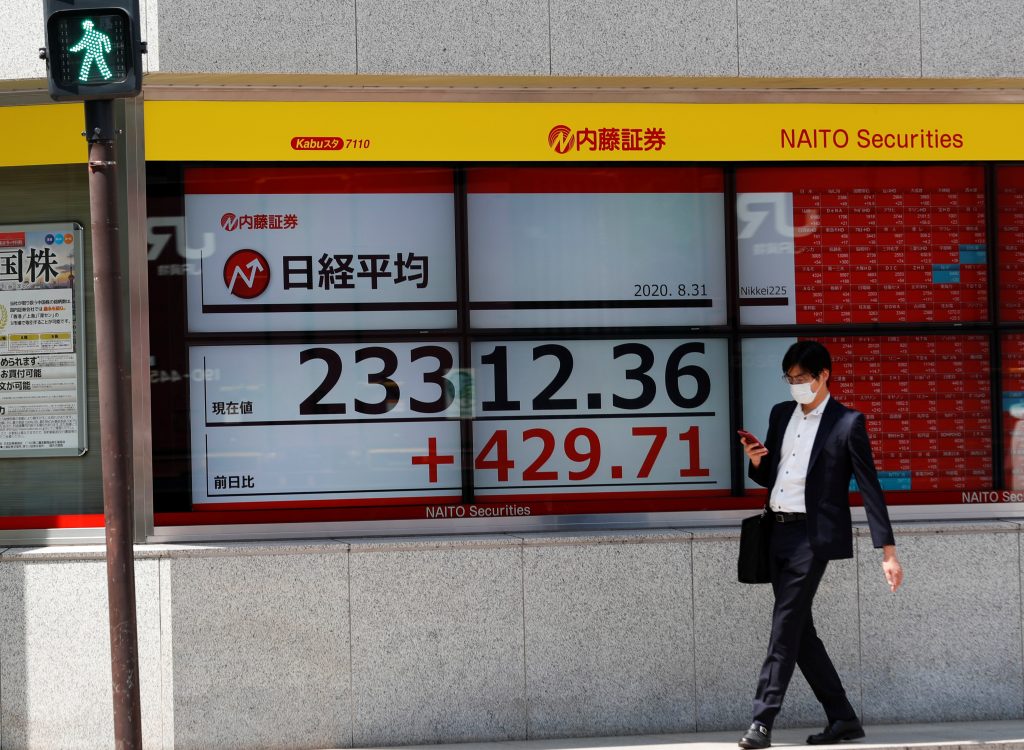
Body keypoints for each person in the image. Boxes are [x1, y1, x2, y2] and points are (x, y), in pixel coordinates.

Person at [737, 340, 903, 749]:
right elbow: (769, 477)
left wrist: (888, 552)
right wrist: (757, 460)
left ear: (824, 375)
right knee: (799, 632)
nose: (795, 386)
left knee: (783, 627)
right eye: (790, 379)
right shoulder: (781, 414)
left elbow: (870, 488)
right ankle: (843, 717)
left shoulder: (848, 423)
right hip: (775, 531)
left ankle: (761, 721)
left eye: (803, 378)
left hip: (812, 538)